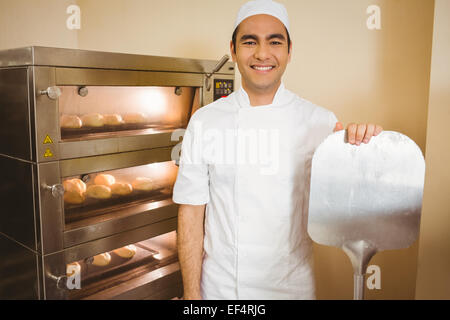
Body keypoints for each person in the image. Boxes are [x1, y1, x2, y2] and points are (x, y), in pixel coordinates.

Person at [173, 0, 383, 300]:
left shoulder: (320, 122)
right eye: (249, 42)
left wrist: (364, 148)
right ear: (233, 50)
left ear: (288, 51)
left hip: (290, 288)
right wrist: (192, 297)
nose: (262, 53)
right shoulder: (205, 122)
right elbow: (191, 213)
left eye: (274, 41)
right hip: (220, 290)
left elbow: (352, 207)